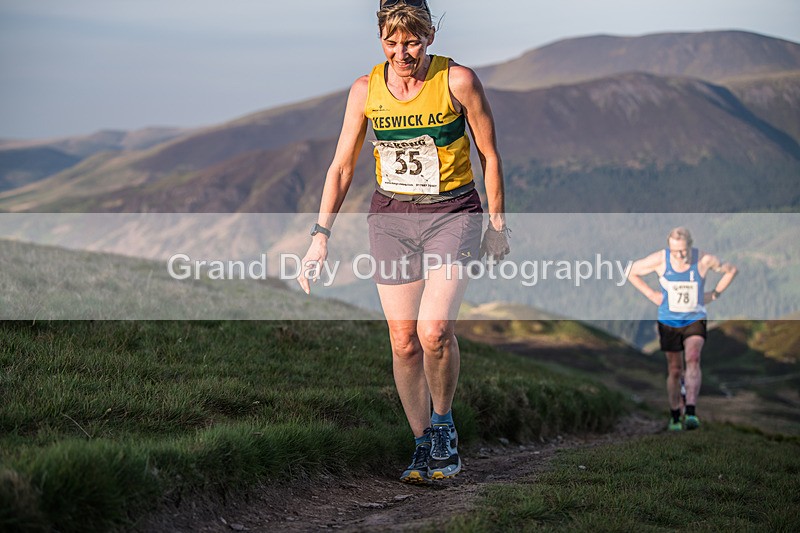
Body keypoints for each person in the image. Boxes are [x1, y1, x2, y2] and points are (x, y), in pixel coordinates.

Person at [297, 0, 509, 483]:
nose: (402, 53)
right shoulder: (365, 90)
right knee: (403, 340)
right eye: (391, 43)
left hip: (452, 213)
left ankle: (443, 426)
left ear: (430, 36)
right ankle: (420, 444)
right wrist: (319, 237)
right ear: (380, 41)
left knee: (434, 330)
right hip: (391, 218)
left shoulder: (458, 81)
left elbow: (489, 155)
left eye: (412, 41)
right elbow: (343, 166)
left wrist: (497, 226)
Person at [627, 227, 737, 431]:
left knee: (693, 358)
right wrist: (652, 294)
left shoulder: (703, 260)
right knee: (675, 370)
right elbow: (631, 272)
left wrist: (714, 294)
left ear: (690, 246)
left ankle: (692, 412)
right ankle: (675, 414)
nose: (679, 255)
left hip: (695, 318)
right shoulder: (661, 259)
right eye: (675, 251)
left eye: (683, 251)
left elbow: (731, 270)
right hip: (669, 322)